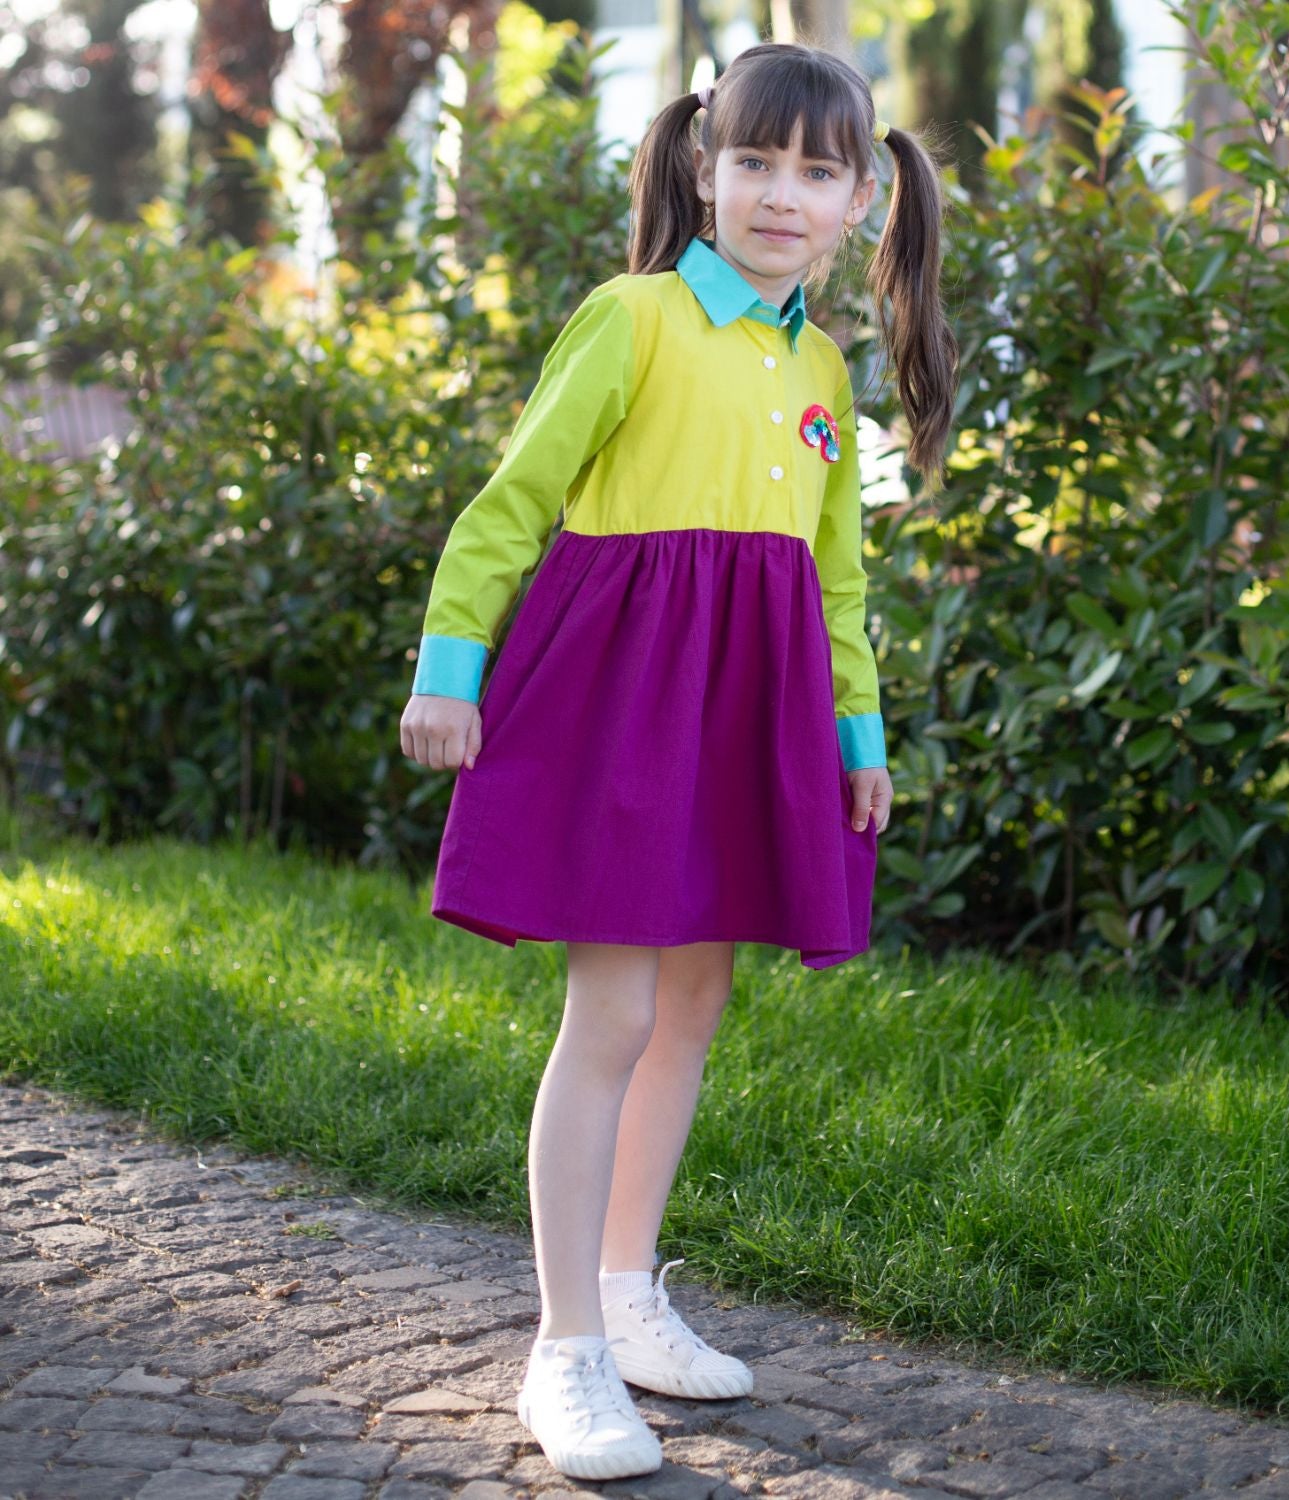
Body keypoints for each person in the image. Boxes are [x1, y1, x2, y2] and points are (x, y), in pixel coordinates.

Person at [398, 39, 958, 1483]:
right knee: (616, 1011)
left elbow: (832, 580)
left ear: (859, 206)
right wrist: (451, 670)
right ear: (702, 170)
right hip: (625, 703)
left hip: (752, 714)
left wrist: (859, 738)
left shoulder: (823, 366)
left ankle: (633, 1294)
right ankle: (565, 1348)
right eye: (755, 162)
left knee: (695, 1001)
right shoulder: (634, 318)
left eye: (817, 172)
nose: (783, 194)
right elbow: (511, 500)